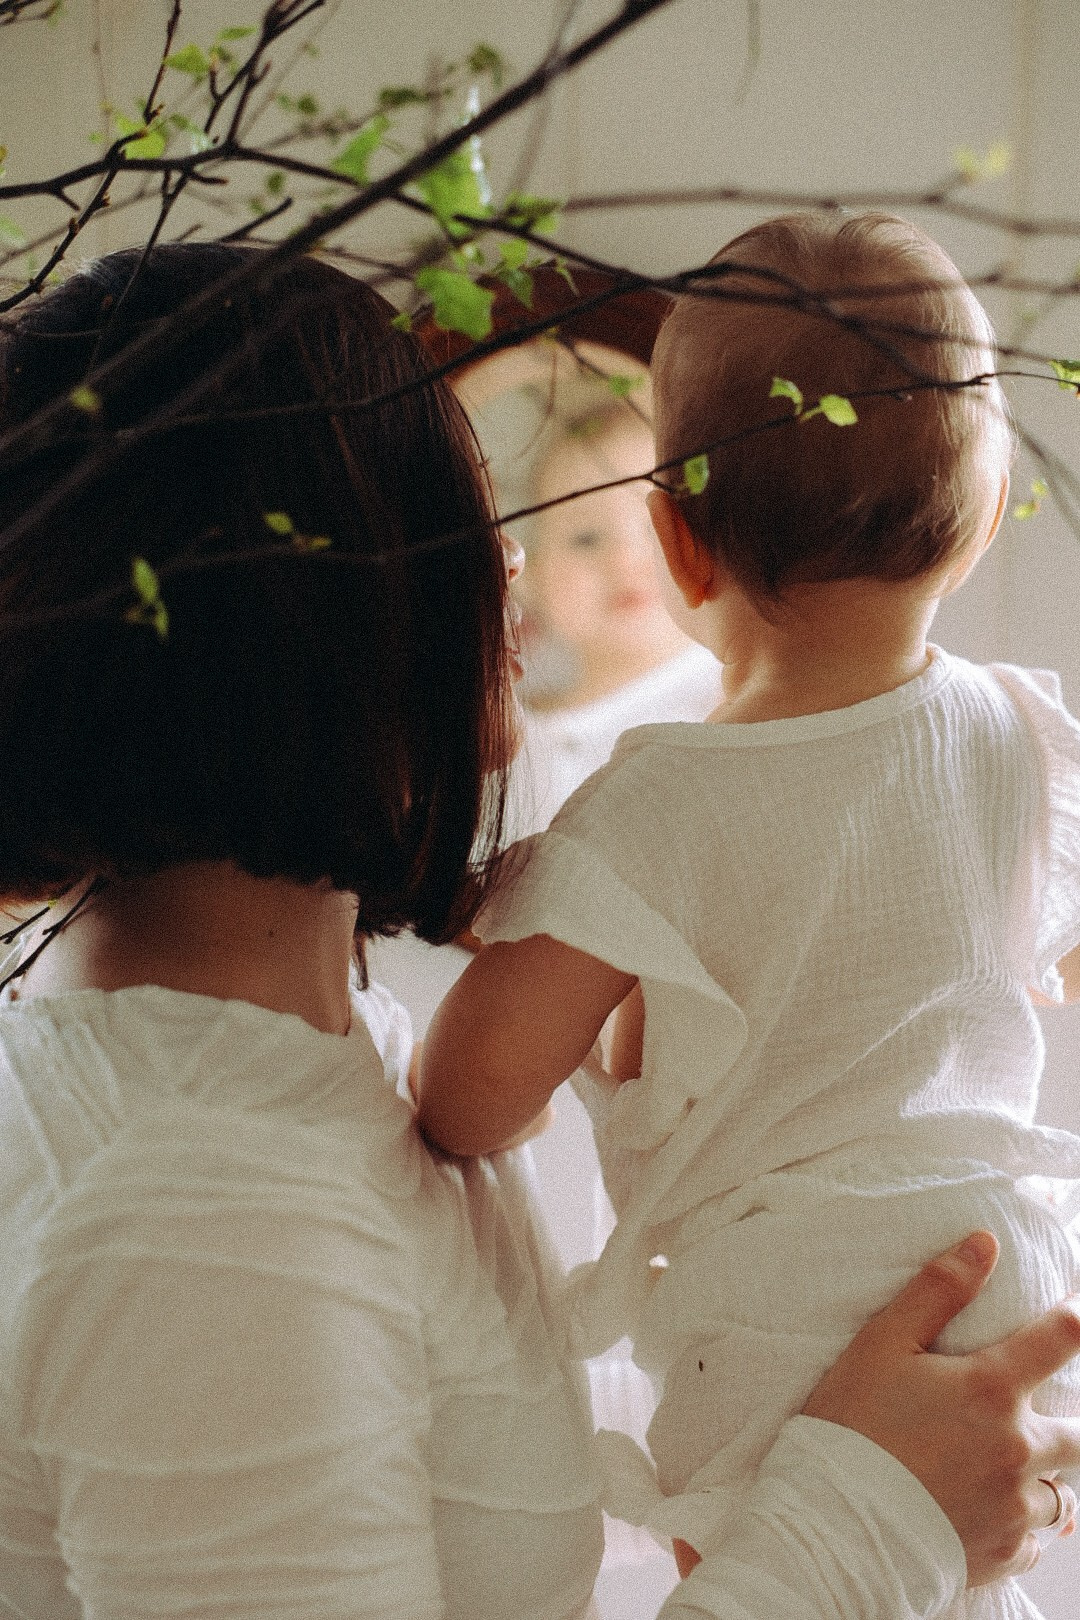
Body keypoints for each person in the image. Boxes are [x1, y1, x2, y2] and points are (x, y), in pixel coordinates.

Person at [0, 241, 1076, 1620]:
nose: (509, 562)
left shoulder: (309, 1078)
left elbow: (464, 1465)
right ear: (318, 617)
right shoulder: (199, 1224)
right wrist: (871, 1514)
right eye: (463, 519)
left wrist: (893, 1434)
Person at [416, 214, 1080, 1619]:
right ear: (980, 523)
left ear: (677, 540)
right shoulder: (1024, 737)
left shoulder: (655, 808)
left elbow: (468, 1101)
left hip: (784, 1312)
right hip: (1004, 1266)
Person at [508, 404, 721, 839]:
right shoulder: (513, 743)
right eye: (585, 538)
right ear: (531, 575)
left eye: (657, 529)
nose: (625, 561)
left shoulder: (733, 696)